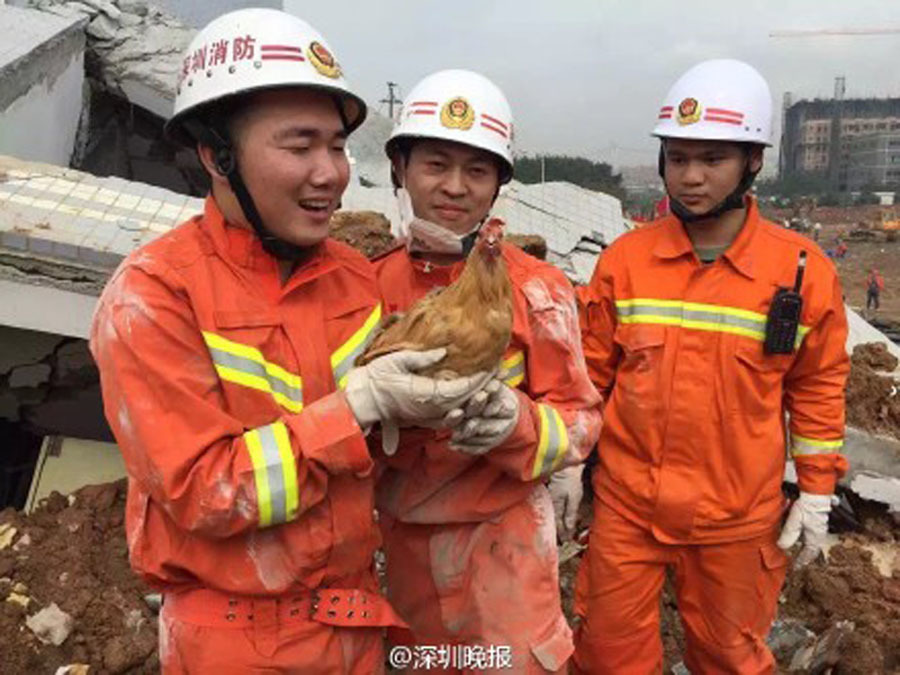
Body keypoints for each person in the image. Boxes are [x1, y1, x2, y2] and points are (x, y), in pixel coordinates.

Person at [89, 10, 494, 673]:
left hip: (355, 621)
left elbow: (373, 458)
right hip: (235, 638)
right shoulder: (155, 295)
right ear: (217, 155)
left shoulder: (351, 278)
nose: (331, 172)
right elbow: (205, 494)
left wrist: (444, 417)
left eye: (336, 145)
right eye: (299, 145)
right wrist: (356, 407)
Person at [575, 59, 849, 674]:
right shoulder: (625, 261)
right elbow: (589, 377)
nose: (690, 177)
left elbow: (817, 388)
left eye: (711, 159)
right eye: (677, 158)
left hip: (737, 520)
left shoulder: (801, 271)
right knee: (605, 656)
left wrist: (817, 490)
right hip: (628, 509)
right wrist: (566, 464)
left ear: (753, 162)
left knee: (730, 659)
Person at [373, 69, 602, 673]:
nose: (454, 187)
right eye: (435, 164)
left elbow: (580, 422)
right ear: (400, 167)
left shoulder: (538, 290)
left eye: (476, 171)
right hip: (402, 551)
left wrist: (517, 423)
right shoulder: (363, 286)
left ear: (498, 183)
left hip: (504, 549)